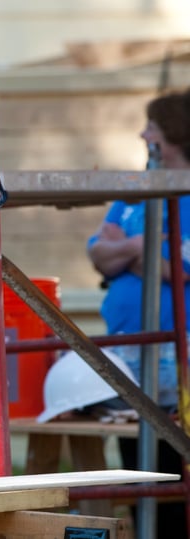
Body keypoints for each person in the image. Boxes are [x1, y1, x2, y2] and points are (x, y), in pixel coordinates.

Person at [86, 88, 190, 537]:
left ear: (174, 135)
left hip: (177, 363)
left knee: (174, 472)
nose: (143, 134)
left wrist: (125, 250)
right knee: (137, 467)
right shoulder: (133, 194)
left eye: (152, 127)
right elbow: (97, 254)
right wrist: (140, 247)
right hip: (129, 357)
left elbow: (179, 271)